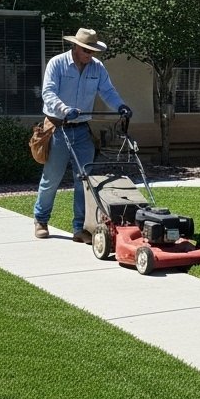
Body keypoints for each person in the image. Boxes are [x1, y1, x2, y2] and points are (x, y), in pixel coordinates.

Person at [33, 28, 131, 241]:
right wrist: (64, 109)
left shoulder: (97, 68)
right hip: (57, 128)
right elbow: (48, 93)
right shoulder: (57, 64)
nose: (90, 55)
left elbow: (107, 91)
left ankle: (80, 228)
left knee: (84, 180)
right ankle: (41, 219)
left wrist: (120, 106)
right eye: (86, 50)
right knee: (52, 177)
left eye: (92, 51)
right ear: (75, 46)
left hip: (82, 130)